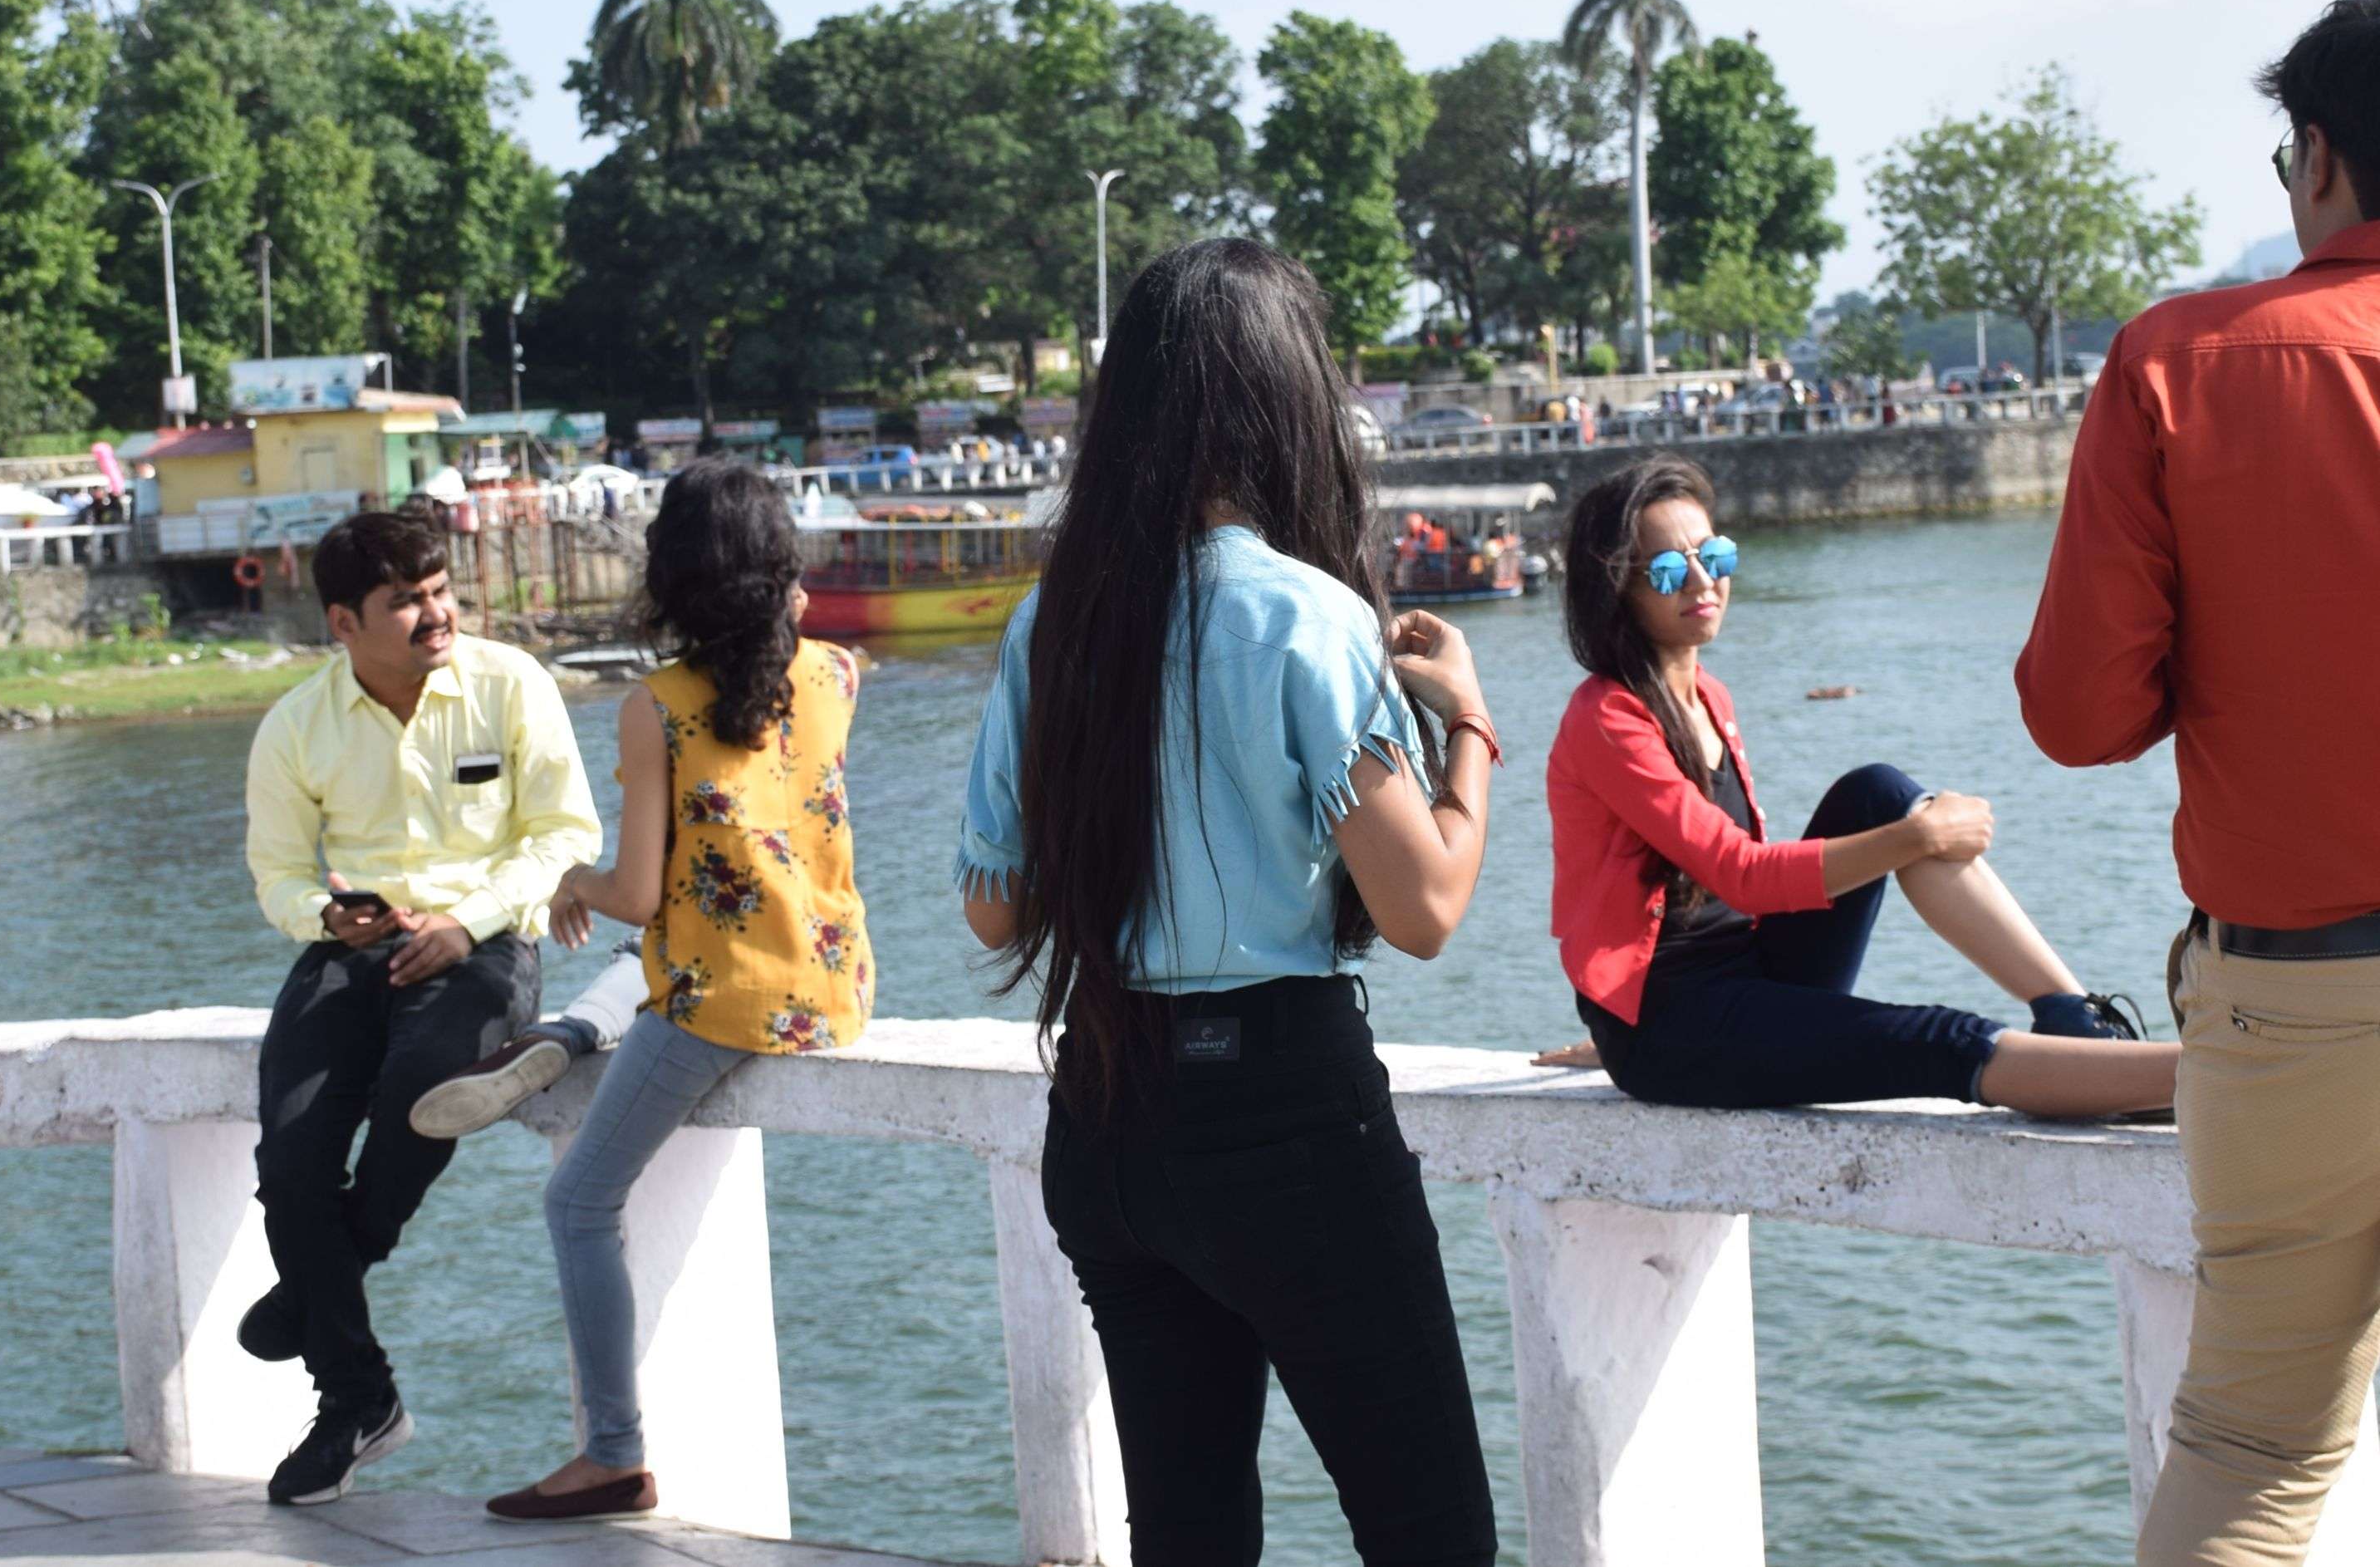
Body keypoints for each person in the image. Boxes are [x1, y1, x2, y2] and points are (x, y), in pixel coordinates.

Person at [957, 238, 1502, 1565]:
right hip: (1287, 1120)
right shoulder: (1306, 617)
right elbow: (1424, 906)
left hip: (1107, 1116)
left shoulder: (1055, 621)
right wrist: (1472, 726)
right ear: (1285, 401)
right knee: (1435, 1538)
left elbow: (991, 906)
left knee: (1191, 1538)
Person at [2020, 0, 2380, 1567]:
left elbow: (2080, 717)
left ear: (2314, 158)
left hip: (2295, 1007)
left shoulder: (2186, 362)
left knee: (2249, 1447)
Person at [1542, 454, 2176, 1115]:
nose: (1704, 581)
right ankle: (2206, 1083)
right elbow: (1741, 874)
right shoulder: (1607, 719)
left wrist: (1904, 831)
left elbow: (1739, 903)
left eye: (1716, 555)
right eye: (1671, 570)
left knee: (1874, 789)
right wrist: (1916, 836)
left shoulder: (1708, 695)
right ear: (1617, 588)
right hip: (1676, 1026)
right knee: (1943, 1040)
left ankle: (2075, 1016)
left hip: (1752, 975)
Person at [483, 456, 871, 1523]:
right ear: (781, 572)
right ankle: (577, 1029)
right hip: (831, 984)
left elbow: (636, 888)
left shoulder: (656, 707)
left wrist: (568, 881)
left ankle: (611, 1452)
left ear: (672, 577)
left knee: (576, 1202)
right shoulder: (837, 676)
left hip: (723, 1000)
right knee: (636, 975)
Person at [238, 507, 601, 1506]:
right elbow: (273, 875)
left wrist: (468, 917)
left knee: (422, 1089)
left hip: (485, 944)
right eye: (405, 602)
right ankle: (357, 1398)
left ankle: (318, 1289)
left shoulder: (510, 682)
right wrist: (328, 913)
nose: (435, 614)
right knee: (290, 1158)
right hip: (351, 949)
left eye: (440, 590)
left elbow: (563, 835)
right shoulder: (293, 726)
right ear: (343, 623)